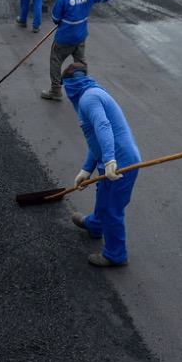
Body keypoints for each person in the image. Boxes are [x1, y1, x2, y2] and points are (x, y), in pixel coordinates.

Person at [64, 61, 141, 268]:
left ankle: (116, 255)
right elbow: (96, 139)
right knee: (103, 194)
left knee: (112, 208)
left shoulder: (88, 99)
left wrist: (109, 160)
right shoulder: (92, 93)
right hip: (113, 159)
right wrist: (86, 169)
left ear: (69, 85)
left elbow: (103, 125)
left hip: (121, 162)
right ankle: (95, 225)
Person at [40, 0, 118, 101]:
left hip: (63, 39)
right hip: (80, 37)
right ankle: (83, 90)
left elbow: (56, 19)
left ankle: (55, 91)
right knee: (81, 63)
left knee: (56, 61)